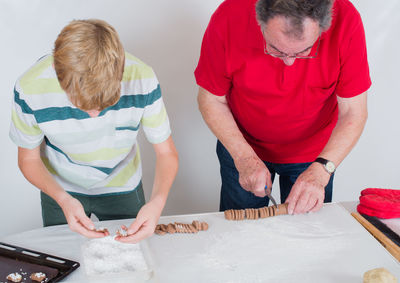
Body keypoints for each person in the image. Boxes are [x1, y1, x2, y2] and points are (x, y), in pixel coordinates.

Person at [10, 19, 178, 243]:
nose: (94, 116)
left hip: (123, 185)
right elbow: (28, 159)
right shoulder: (30, 87)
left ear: (122, 71)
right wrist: (63, 199)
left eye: (106, 104)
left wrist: (157, 203)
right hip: (59, 187)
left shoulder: (142, 78)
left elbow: (166, 153)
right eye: (82, 105)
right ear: (57, 73)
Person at [195, 0, 371, 215]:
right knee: (240, 235)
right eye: (276, 49)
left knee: (307, 236)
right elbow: (212, 99)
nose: (289, 63)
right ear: (259, 20)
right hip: (242, 146)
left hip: (315, 156)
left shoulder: (345, 19)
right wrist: (244, 158)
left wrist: (321, 171)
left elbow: (353, 111)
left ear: (324, 24)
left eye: (304, 51)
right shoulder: (230, 15)